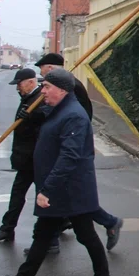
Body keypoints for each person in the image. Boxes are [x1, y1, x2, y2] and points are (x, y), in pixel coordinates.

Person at [0, 69, 114, 276]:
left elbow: (70, 156)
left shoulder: (74, 115)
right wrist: (30, 115)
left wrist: (47, 189)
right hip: (58, 188)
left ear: (62, 90)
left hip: (70, 189)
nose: (42, 91)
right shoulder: (59, 111)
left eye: (46, 87)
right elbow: (46, 122)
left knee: (86, 235)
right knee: (43, 235)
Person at [33, 52, 123, 248]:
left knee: (79, 212)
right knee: (75, 212)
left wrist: (73, 135)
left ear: (51, 68)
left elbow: (81, 113)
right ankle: (50, 241)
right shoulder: (54, 87)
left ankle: (52, 242)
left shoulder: (72, 87)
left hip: (71, 149)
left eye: (44, 70)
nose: (43, 88)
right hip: (57, 151)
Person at [0, 68, 60, 253]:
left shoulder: (42, 98)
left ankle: (53, 239)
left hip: (38, 158)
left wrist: (32, 117)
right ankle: (7, 229)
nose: (18, 88)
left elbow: (48, 120)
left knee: (46, 199)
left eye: (20, 84)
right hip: (26, 158)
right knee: (18, 194)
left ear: (31, 82)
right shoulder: (28, 98)